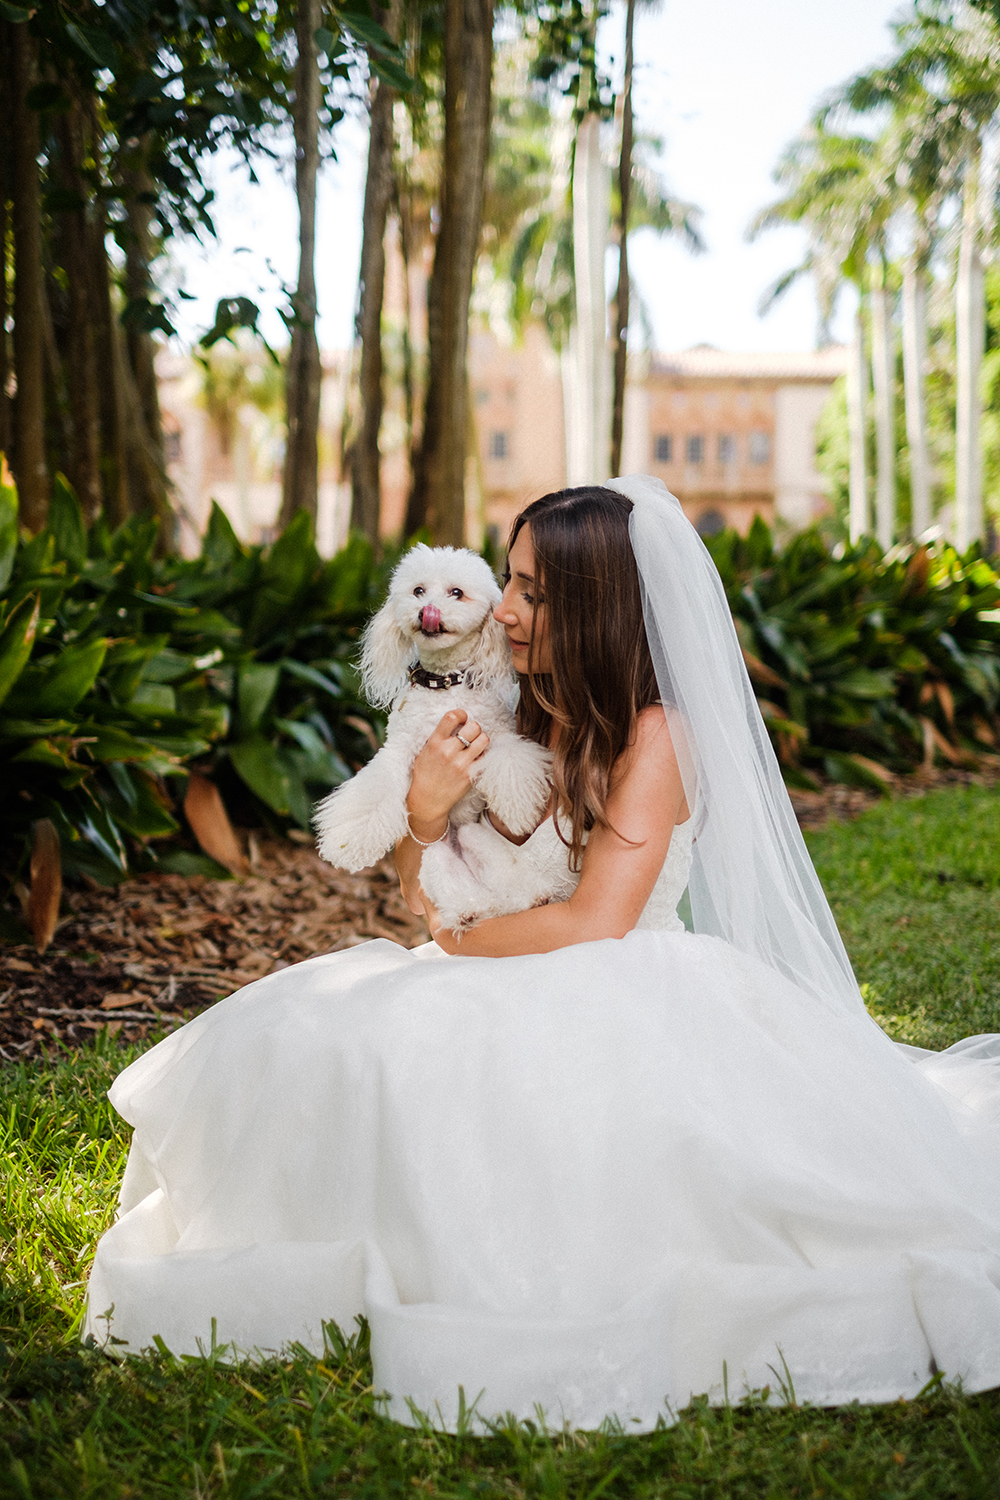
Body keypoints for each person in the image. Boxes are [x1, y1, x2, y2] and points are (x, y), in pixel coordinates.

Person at [86, 476, 1000, 1433]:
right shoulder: (511, 707)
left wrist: (452, 939)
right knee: (327, 1050)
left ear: (601, 609)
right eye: (510, 583)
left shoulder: (658, 735)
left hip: (618, 976)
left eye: (534, 593)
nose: (507, 611)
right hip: (487, 952)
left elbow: (594, 920)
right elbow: (423, 885)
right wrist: (426, 814)